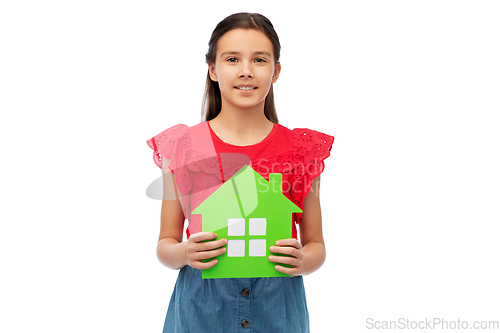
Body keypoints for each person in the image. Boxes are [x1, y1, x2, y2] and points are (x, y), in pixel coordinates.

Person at [146, 12, 334, 332]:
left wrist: (304, 260)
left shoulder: (299, 150)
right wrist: (184, 252)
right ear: (213, 70)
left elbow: (315, 244)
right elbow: (166, 243)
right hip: (200, 311)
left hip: (277, 309)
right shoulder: (184, 147)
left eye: (259, 60)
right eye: (232, 59)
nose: (246, 71)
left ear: (275, 72)